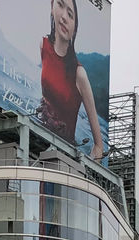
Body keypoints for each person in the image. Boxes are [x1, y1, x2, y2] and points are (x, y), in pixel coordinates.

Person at [36, 0, 105, 158]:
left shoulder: (79, 74)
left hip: (64, 157)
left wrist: (83, 174)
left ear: (75, 28)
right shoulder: (43, 46)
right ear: (52, 8)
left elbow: (99, 146)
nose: (64, 17)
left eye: (70, 14)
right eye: (60, 5)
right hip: (40, 143)